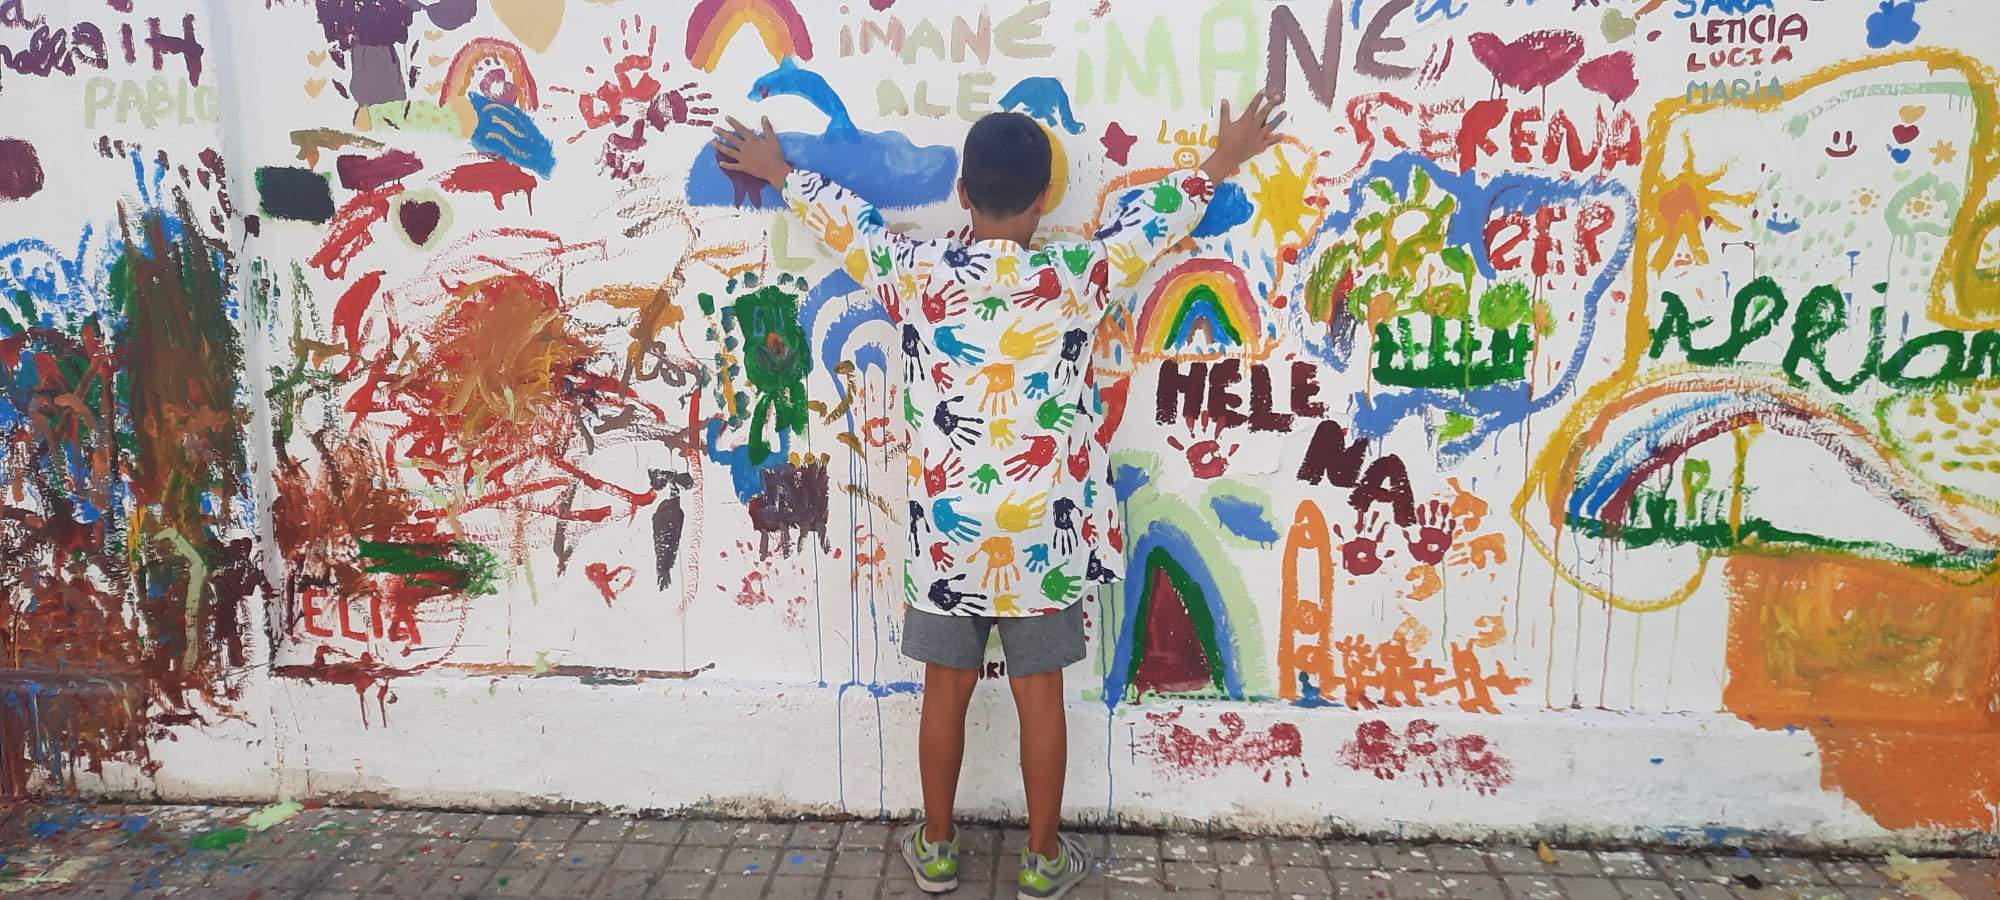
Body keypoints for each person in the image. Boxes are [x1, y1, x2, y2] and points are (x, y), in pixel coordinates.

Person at [711, 92, 1285, 899]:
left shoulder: (916, 273)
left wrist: (779, 172)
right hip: (1043, 532)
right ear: (1046, 198)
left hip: (948, 531)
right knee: (1038, 695)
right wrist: (1223, 161)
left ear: (964, 197)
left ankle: (939, 848)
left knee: (943, 690)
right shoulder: (1080, 274)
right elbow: (1156, 223)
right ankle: (1044, 859)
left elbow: (851, 227)